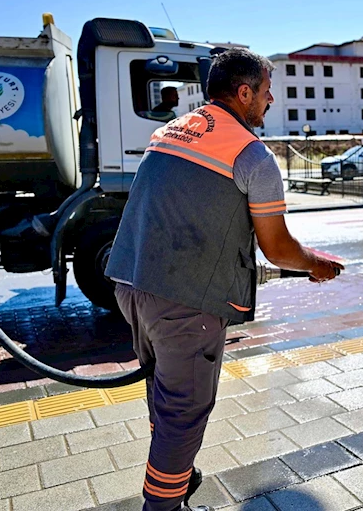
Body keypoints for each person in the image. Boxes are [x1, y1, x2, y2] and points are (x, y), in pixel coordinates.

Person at [104, 48, 343, 511]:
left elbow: (193, 226)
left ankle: (177, 473)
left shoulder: (169, 132)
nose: (270, 102)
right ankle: (164, 503)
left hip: (131, 285)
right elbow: (277, 246)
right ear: (244, 92)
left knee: (164, 392)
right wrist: (314, 263)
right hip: (185, 305)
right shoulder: (253, 156)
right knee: (184, 413)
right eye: (267, 93)